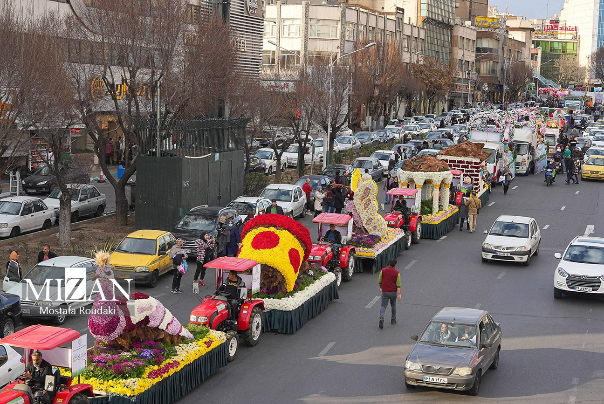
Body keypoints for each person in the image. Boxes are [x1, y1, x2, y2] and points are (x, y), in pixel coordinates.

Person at [378, 259, 401, 329]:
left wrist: (381, 287)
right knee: (393, 305)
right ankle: (393, 319)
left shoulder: (383, 270)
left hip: (385, 291)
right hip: (393, 292)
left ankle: (381, 318)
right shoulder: (397, 273)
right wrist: (399, 294)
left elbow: (379, 280)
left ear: (389, 264)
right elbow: (398, 284)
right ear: (395, 265)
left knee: (383, 306)